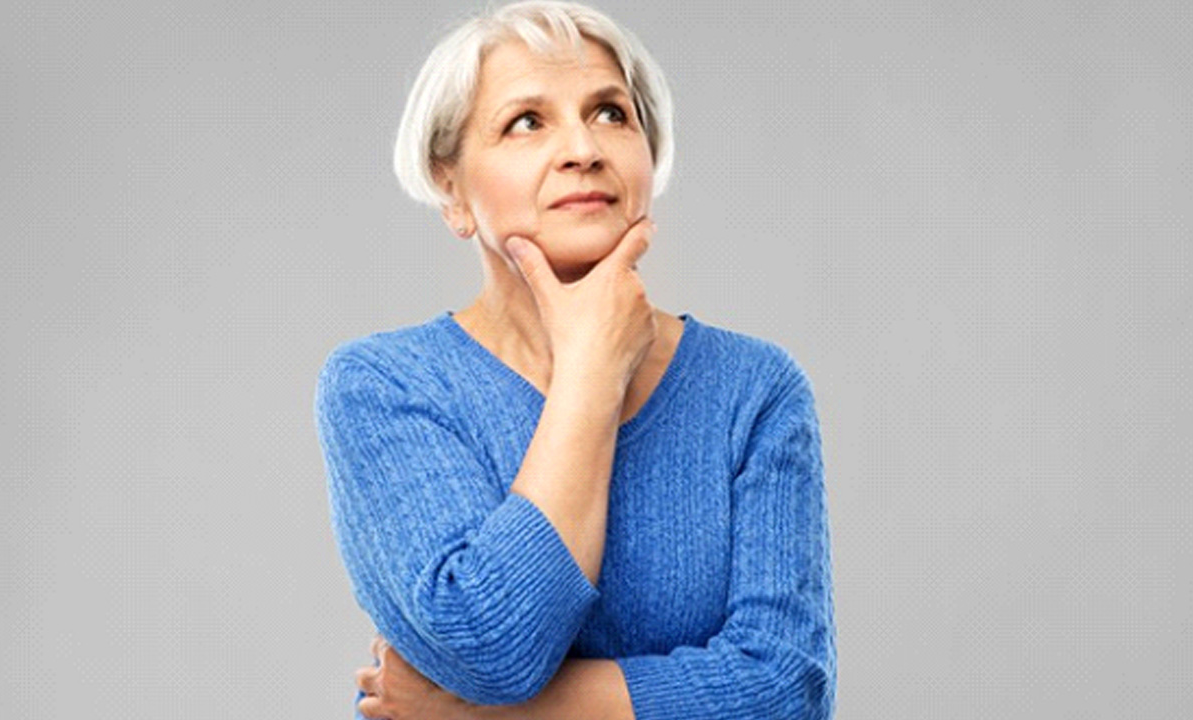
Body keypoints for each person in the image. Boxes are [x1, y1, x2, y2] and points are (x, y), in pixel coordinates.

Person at [313, 2, 837, 718]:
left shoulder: (753, 390)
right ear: (451, 187)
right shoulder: (384, 386)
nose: (583, 148)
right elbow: (491, 645)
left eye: (611, 114)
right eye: (526, 122)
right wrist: (593, 369)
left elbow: (785, 690)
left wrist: (469, 717)